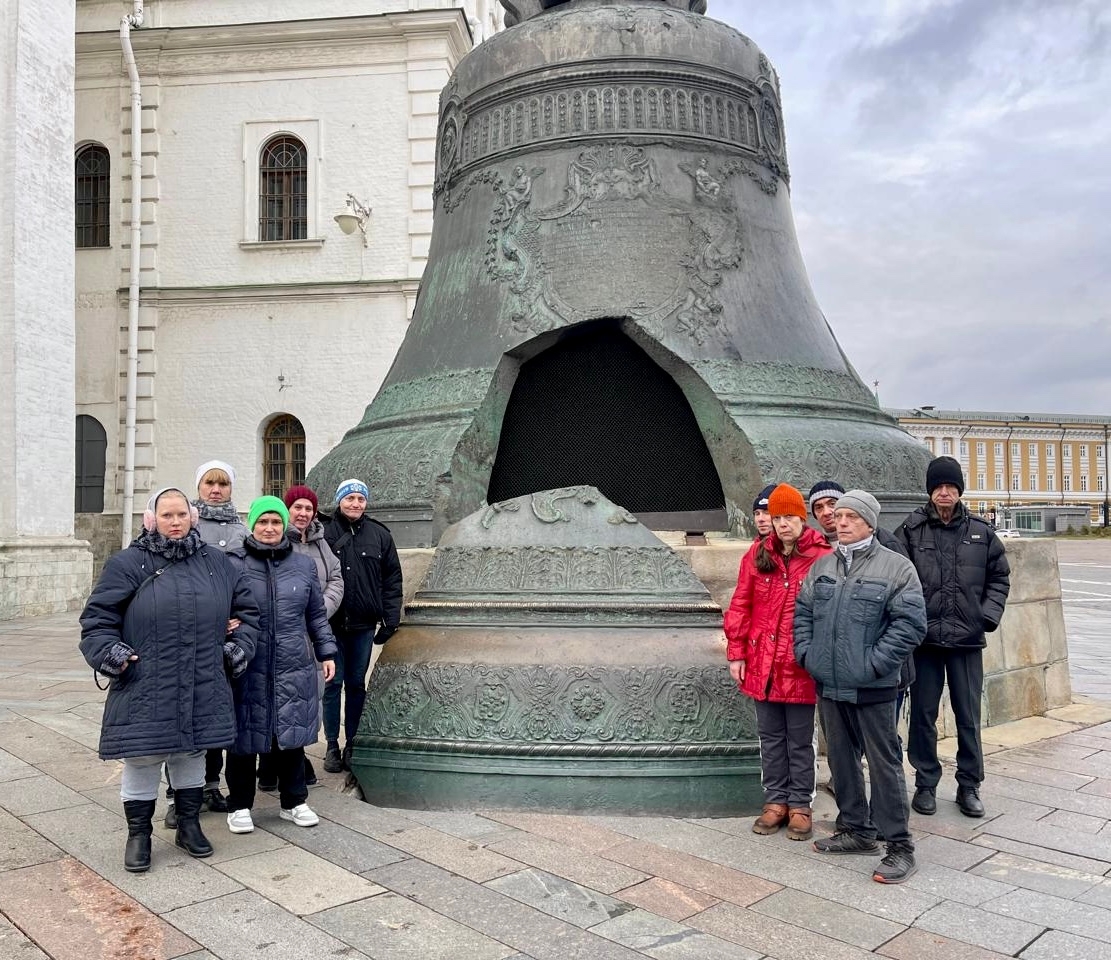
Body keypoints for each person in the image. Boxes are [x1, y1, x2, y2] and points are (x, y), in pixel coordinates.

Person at [79, 487, 258, 873]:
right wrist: (114, 656)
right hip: (146, 680)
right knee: (143, 756)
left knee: (191, 753)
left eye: (181, 515)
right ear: (152, 520)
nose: (175, 522)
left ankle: (189, 824)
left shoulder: (217, 564)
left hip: (202, 678)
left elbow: (248, 614)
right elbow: (97, 620)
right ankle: (138, 834)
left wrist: (235, 649)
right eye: (166, 515)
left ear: (193, 518)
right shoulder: (128, 563)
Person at [794, 490, 926, 884]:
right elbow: (803, 614)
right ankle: (856, 829)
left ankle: (899, 846)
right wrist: (809, 656)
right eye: (839, 516)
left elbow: (910, 625)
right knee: (840, 758)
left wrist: (874, 664)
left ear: (869, 522)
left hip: (873, 685)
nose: (842, 522)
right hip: (829, 681)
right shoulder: (823, 566)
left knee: (884, 764)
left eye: (851, 516)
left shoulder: (896, 567)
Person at [895, 456, 1011, 819]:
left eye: (951, 486)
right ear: (930, 491)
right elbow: (896, 576)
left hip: (966, 642)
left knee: (968, 717)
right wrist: (910, 621)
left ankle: (969, 785)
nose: (944, 493)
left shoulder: (981, 532)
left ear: (959, 490)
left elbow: (999, 577)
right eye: (939, 487)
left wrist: (985, 617)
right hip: (925, 641)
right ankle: (926, 783)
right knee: (923, 715)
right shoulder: (911, 530)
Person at [224, 496, 338, 833]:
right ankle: (239, 804)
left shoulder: (302, 565)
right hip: (249, 661)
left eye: (275, 522)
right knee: (245, 735)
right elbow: (216, 605)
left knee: (290, 734)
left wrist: (326, 651)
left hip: (292, 660)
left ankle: (294, 801)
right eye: (263, 522)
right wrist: (223, 625)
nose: (270, 528)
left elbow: (315, 614)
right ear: (252, 525)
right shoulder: (234, 563)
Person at [725, 484, 832, 840]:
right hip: (763, 661)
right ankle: (775, 800)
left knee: (800, 738)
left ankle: (800, 803)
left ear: (802, 518)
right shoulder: (758, 555)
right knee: (770, 736)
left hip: (799, 663)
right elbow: (741, 603)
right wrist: (736, 652)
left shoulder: (822, 556)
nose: (782, 524)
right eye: (777, 518)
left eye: (789, 517)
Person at [257, 484, 343, 791]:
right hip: (284, 630)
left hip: (313, 629)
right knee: (276, 696)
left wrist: (318, 609)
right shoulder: (278, 541)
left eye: (309, 508)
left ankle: (296, 756)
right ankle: (269, 762)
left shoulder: (321, 543)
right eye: (298, 507)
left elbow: (335, 578)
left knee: (305, 698)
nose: (303, 513)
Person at [322, 479, 403, 773]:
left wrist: (391, 618)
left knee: (356, 684)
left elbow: (392, 580)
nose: (355, 503)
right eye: (350, 498)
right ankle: (332, 744)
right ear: (340, 500)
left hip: (363, 624)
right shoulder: (325, 533)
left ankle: (353, 743)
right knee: (332, 685)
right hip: (331, 624)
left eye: (360, 499)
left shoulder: (380, 535)